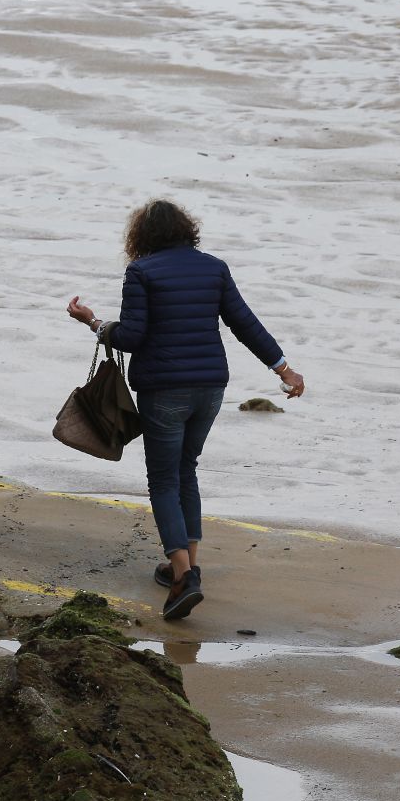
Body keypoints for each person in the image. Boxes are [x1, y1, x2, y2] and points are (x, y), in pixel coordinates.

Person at [67, 199, 304, 620]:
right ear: (186, 231)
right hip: (211, 387)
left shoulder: (140, 272)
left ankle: (184, 577)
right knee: (186, 470)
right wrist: (283, 369)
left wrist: (95, 323)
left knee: (162, 479)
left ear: (141, 237)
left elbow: (132, 337)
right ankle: (186, 564)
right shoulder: (214, 268)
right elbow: (244, 322)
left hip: (164, 391)